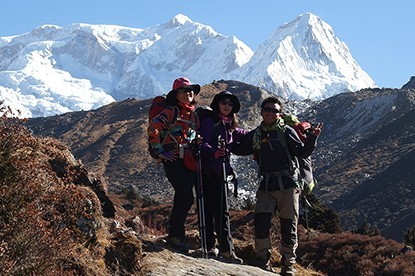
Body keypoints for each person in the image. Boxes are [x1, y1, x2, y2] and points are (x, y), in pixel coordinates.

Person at [243, 96, 322, 275]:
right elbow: (240, 148)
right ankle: (263, 258)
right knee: (261, 222)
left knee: (289, 225)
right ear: (262, 112)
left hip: (288, 185)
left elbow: (301, 152)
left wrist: (312, 139)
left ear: (280, 114)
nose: (271, 113)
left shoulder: (286, 132)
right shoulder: (257, 133)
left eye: (275, 110)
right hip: (266, 185)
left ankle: (288, 263)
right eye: (268, 109)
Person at [147, 77, 201, 253]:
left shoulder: (193, 114)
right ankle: (176, 235)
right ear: (175, 94)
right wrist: (159, 151)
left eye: (190, 90)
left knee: (183, 196)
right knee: (186, 196)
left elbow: (191, 135)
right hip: (173, 160)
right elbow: (153, 127)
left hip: (188, 160)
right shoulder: (171, 111)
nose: (188, 93)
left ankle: (175, 236)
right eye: (184, 91)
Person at [199, 91, 247, 264]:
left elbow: (243, 134)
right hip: (208, 172)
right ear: (217, 104)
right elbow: (202, 142)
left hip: (220, 174)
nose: (227, 106)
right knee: (212, 211)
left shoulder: (229, 126)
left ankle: (219, 248)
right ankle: (216, 248)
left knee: (220, 212)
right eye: (224, 102)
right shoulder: (209, 122)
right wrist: (214, 152)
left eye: (230, 104)